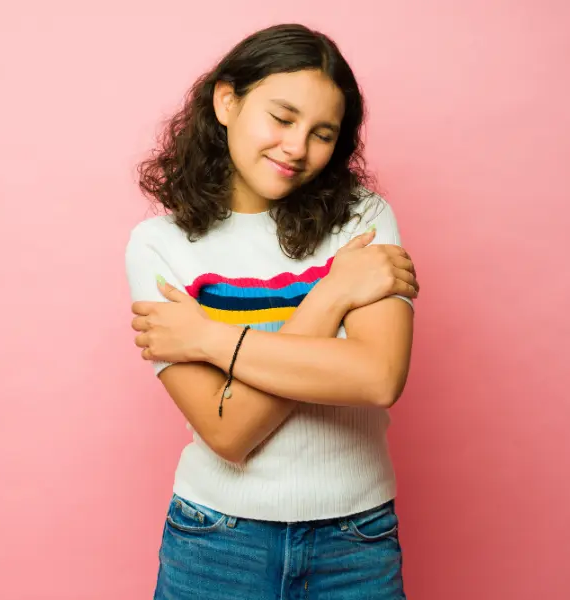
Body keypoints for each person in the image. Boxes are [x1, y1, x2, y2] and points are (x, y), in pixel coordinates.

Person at [125, 23, 418, 600]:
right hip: (214, 545)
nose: (296, 147)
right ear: (227, 101)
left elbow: (377, 377)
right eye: (282, 119)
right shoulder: (160, 244)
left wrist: (209, 339)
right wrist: (331, 296)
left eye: (322, 134)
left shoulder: (363, 219)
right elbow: (228, 431)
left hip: (356, 542)